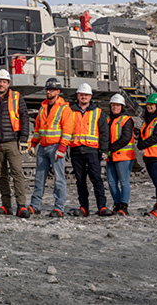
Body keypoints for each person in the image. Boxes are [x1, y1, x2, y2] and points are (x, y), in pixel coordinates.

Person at [0, 69, 30, 218]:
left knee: (17, 173)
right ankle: (6, 205)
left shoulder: (16, 97)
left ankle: (21, 205)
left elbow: (24, 116)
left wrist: (23, 138)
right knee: (1, 175)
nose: (1, 84)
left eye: (4, 82)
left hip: (12, 141)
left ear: (8, 83)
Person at [27, 77, 73, 218]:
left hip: (56, 147)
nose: (48, 92)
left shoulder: (64, 108)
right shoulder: (43, 107)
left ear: (58, 91)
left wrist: (62, 147)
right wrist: (33, 143)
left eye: (52, 90)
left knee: (59, 179)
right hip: (43, 146)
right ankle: (35, 206)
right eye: (47, 89)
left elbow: (67, 130)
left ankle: (59, 208)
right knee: (39, 178)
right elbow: (38, 128)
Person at [67, 83, 113, 217]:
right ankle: (84, 208)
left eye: (86, 95)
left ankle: (102, 207)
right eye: (82, 95)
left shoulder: (98, 112)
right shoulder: (70, 111)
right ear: (78, 95)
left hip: (92, 150)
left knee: (96, 179)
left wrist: (104, 150)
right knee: (80, 181)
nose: (84, 97)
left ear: (90, 96)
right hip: (76, 150)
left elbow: (104, 132)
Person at [137, 93, 157, 218]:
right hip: (149, 156)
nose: (149, 106)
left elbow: (156, 137)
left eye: (152, 104)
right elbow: (144, 135)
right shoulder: (149, 120)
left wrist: (142, 144)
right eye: (148, 104)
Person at [106, 94, 136, 215]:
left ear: (122, 107)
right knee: (111, 183)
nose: (115, 107)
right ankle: (117, 204)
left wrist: (111, 148)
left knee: (124, 182)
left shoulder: (126, 120)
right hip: (112, 156)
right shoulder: (109, 119)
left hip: (124, 156)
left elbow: (126, 138)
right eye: (113, 105)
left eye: (118, 105)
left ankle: (124, 206)